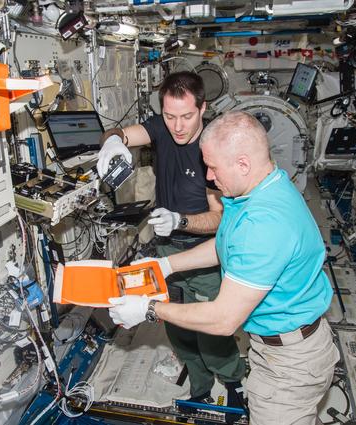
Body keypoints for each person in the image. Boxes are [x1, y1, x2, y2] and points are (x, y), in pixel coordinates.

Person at [107, 111, 341, 425]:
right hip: (276, 347)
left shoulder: (264, 224)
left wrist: (148, 309)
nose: (208, 177)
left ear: (242, 164)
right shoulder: (261, 189)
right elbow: (225, 245)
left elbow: (223, 319)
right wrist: (165, 264)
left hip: (291, 365)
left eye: (213, 168)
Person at [96, 72, 246, 416]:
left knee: (210, 330)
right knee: (179, 328)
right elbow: (120, 132)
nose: (178, 126)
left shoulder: (212, 148)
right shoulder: (161, 128)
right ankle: (200, 386)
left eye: (187, 116)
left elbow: (220, 218)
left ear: (203, 108)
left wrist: (181, 221)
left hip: (205, 253)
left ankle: (233, 381)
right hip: (166, 248)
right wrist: (112, 142)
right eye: (169, 116)